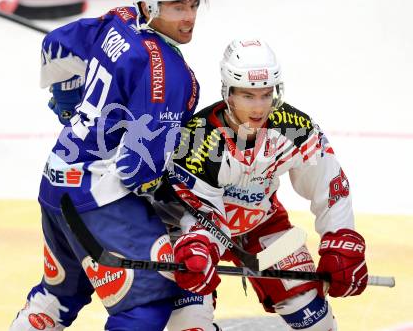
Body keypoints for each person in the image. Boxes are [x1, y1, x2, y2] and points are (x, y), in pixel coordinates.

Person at [10, 0, 206, 330]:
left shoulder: (119, 19)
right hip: (99, 202)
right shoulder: (168, 72)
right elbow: (139, 169)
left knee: (56, 298)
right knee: (147, 303)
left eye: (193, 3)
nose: (189, 16)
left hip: (55, 183)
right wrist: (179, 208)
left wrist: (68, 102)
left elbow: (57, 44)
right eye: (176, 6)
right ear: (149, 5)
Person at [154, 38, 368, 330]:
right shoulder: (197, 140)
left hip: (262, 224)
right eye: (247, 96)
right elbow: (202, 216)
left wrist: (341, 240)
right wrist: (200, 250)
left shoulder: (294, 126)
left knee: (316, 322)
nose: (258, 108)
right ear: (228, 93)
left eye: (266, 95)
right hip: (193, 234)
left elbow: (330, 185)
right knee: (189, 324)